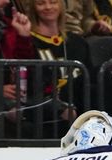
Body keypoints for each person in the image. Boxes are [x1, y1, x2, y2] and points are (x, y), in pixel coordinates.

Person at [25, 0, 91, 135]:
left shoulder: (77, 42)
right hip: (47, 107)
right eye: (41, 3)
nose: (48, 7)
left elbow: (89, 79)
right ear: (33, 8)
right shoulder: (28, 42)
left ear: (61, 6)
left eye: (53, 2)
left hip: (79, 102)